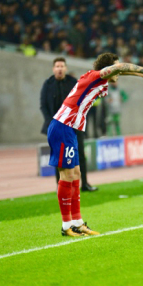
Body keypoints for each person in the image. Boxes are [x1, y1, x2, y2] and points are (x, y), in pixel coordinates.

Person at [48, 53, 143, 236]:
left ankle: (77, 222)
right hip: (62, 126)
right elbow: (119, 69)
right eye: (114, 66)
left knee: (76, 173)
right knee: (66, 174)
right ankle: (66, 225)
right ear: (108, 68)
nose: (117, 72)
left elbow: (119, 72)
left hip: (69, 129)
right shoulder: (95, 76)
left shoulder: (98, 79)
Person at [40, 57, 97, 191]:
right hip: (57, 128)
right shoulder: (47, 84)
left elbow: (82, 102)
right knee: (59, 158)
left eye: (62, 66)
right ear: (53, 69)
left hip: (74, 126)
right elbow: (43, 106)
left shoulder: (73, 83)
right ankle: (59, 186)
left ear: (65, 68)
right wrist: (51, 123)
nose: (59, 69)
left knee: (79, 155)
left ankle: (85, 184)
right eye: (57, 66)